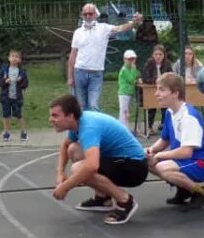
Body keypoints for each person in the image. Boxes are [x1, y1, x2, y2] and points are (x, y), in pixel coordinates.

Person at [49, 94, 148, 225]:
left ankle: (125, 201)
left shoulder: (88, 128)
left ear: (70, 116)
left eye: (55, 116)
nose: (51, 120)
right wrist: (60, 173)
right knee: (73, 149)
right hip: (120, 159)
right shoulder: (78, 122)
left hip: (134, 167)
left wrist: (65, 187)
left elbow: (92, 166)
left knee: (79, 168)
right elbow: (66, 145)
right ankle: (103, 198)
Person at [146, 72, 204, 210]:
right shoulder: (171, 112)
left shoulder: (188, 117)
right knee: (145, 160)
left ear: (175, 93)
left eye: (162, 89)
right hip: (184, 160)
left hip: (199, 162)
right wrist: (151, 150)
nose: (156, 94)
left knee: (161, 166)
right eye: (157, 89)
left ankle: (199, 192)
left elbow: (186, 152)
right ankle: (184, 188)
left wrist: (158, 156)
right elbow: (165, 139)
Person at [67, 3, 142, 111]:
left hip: (96, 73)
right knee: (81, 106)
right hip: (79, 72)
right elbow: (73, 55)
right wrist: (70, 76)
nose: (88, 16)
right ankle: (82, 128)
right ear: (82, 15)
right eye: (85, 14)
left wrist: (134, 23)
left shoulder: (103, 28)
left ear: (95, 15)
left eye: (90, 14)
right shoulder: (77, 32)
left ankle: (95, 127)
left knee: (93, 105)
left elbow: (120, 28)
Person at [0, 49, 29, 143]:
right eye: (12, 56)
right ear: (9, 58)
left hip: (17, 97)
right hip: (6, 96)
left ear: (20, 60)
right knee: (6, 115)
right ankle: (6, 132)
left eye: (17, 57)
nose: (14, 59)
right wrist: (4, 81)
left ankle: (23, 132)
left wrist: (20, 81)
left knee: (18, 115)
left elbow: (25, 84)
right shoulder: (4, 69)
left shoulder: (22, 71)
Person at [140, 43, 173, 136]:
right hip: (151, 90)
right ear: (153, 55)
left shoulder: (167, 63)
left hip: (164, 89)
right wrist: (156, 81)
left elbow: (171, 75)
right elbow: (145, 77)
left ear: (164, 55)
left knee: (165, 106)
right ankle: (149, 127)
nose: (158, 56)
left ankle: (164, 125)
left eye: (160, 54)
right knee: (151, 107)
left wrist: (165, 82)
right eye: (156, 54)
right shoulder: (149, 63)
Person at [118, 49, 140, 131]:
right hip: (124, 93)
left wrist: (136, 73)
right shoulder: (124, 70)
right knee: (124, 111)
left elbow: (137, 75)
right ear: (124, 60)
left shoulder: (131, 69)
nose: (131, 61)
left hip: (130, 93)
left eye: (133, 59)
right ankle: (123, 128)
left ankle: (124, 128)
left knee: (127, 111)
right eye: (129, 59)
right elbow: (131, 79)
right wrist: (134, 70)